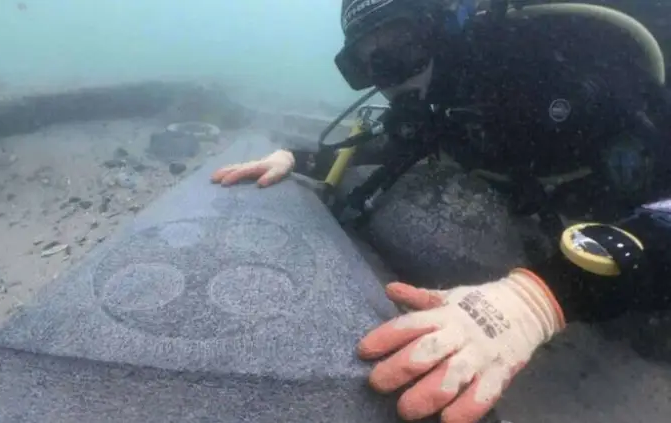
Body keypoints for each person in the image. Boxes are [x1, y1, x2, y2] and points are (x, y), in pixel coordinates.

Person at [212, 1, 671, 423]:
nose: (388, 73)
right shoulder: (446, 102)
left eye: (400, 46)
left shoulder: (565, 63)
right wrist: (295, 157)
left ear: (441, 26)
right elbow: (392, 146)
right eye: (369, 61)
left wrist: (546, 296)